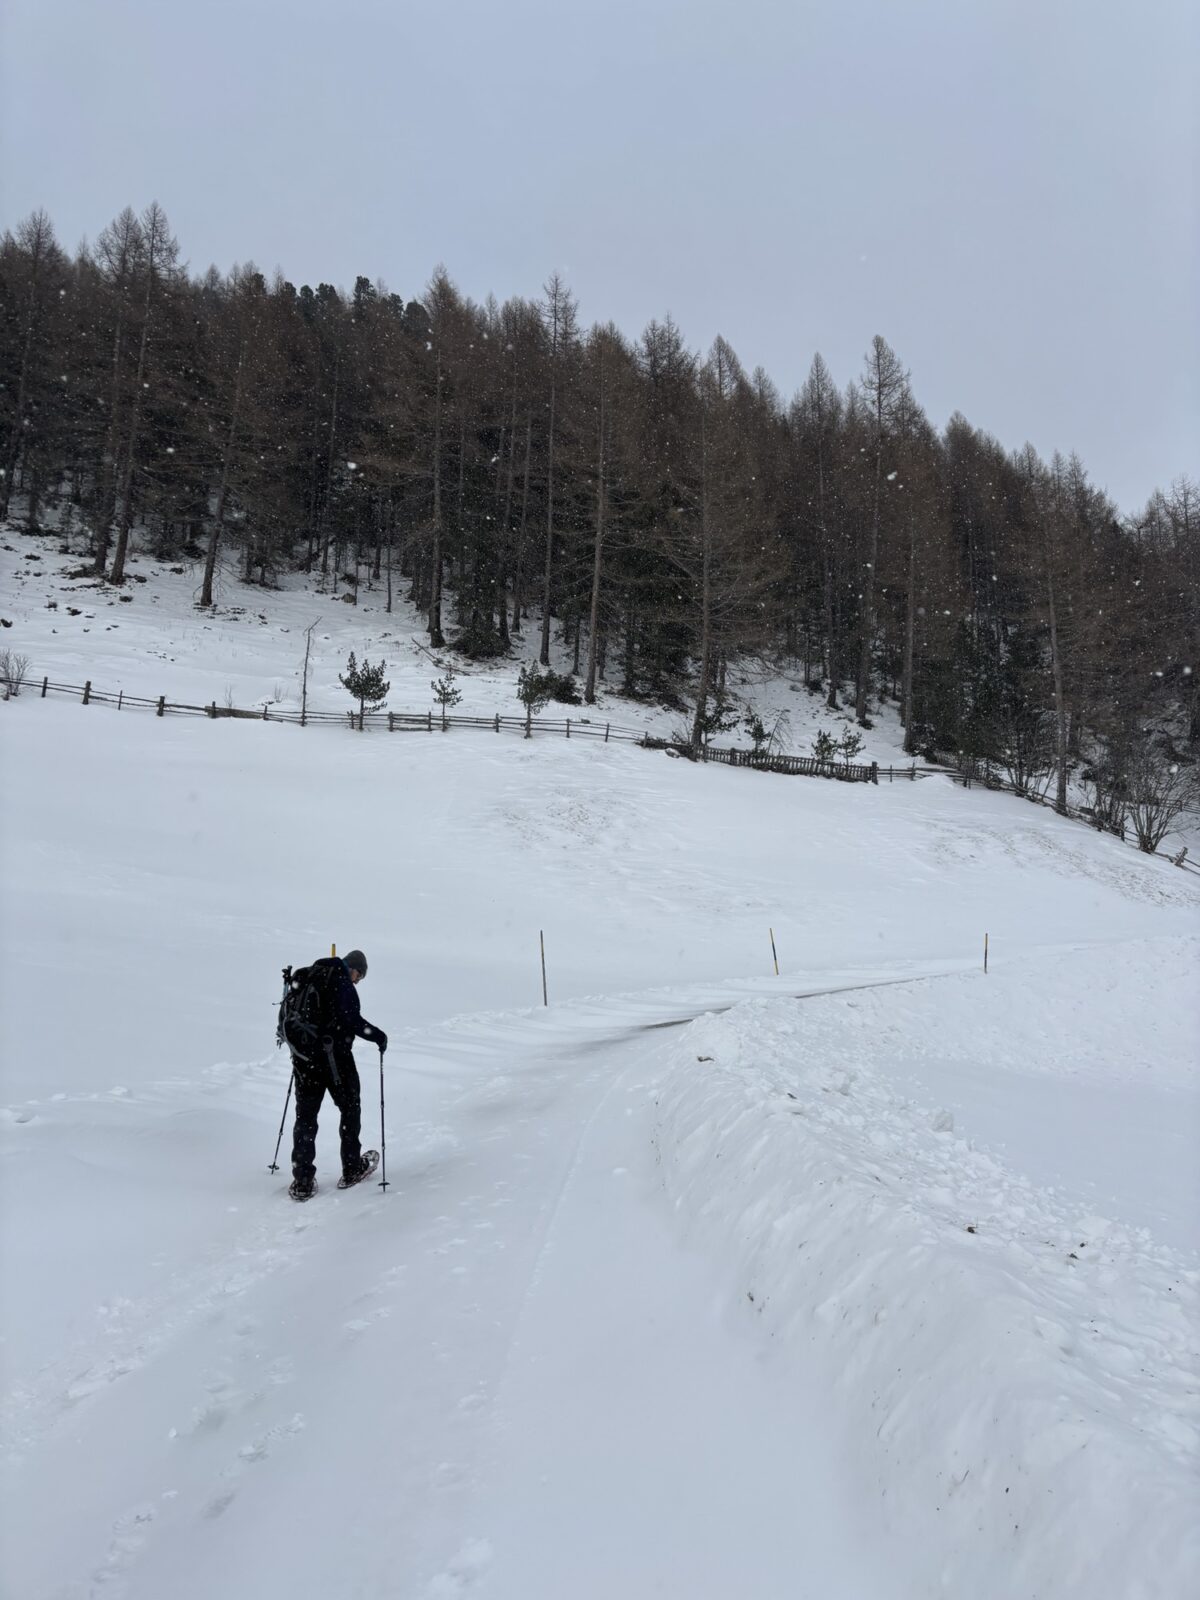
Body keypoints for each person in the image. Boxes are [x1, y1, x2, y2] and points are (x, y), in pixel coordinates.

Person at [288, 949, 388, 1201]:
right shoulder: (340, 982)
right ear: (353, 968)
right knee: (350, 1108)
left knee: (306, 1118)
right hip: (335, 1061)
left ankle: (302, 1180)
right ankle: (352, 1168)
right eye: (359, 977)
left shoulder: (309, 976)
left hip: (304, 1061)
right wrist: (377, 1036)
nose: (357, 981)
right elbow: (352, 1019)